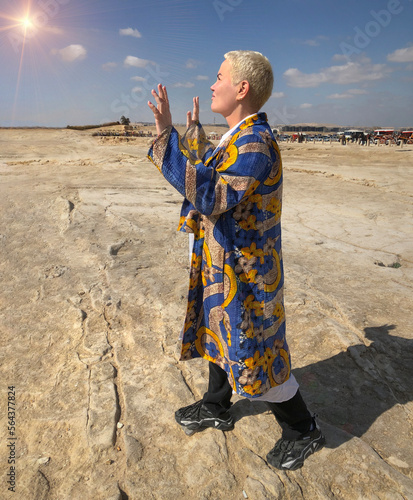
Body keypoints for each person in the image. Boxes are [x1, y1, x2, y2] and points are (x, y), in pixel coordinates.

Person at [147, 50, 325, 471]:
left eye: (219, 77)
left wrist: (164, 141)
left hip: (247, 276)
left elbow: (213, 193)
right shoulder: (238, 138)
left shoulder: (257, 143)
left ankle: (303, 429)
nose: (212, 84)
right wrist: (186, 136)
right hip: (221, 265)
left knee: (258, 352)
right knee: (218, 334)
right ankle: (216, 405)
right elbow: (210, 164)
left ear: (241, 89)